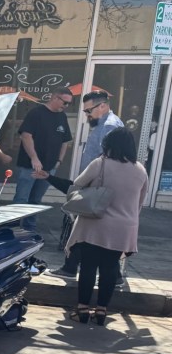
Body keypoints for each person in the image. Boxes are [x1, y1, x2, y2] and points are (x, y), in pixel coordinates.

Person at [65, 127, 147, 327]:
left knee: (88, 266)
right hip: (123, 227)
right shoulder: (140, 170)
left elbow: (77, 184)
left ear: (108, 144)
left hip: (96, 223)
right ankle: (101, 311)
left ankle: (82, 309)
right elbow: (139, 203)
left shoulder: (100, 163)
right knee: (110, 268)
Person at [49, 90, 124, 278]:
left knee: (83, 229)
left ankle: (73, 268)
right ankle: (73, 267)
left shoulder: (109, 126)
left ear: (102, 106)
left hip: (97, 186)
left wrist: (90, 183)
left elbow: (108, 159)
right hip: (96, 185)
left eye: (88, 111)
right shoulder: (105, 124)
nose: (87, 115)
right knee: (86, 230)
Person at [13, 87, 73, 230]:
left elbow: (65, 141)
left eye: (69, 103)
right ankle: (13, 228)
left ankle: (29, 229)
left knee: (36, 200)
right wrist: (34, 158)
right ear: (55, 97)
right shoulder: (36, 113)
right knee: (21, 199)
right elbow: (26, 136)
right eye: (65, 102)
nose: (66, 106)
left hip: (49, 168)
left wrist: (59, 160)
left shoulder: (62, 117)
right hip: (29, 166)